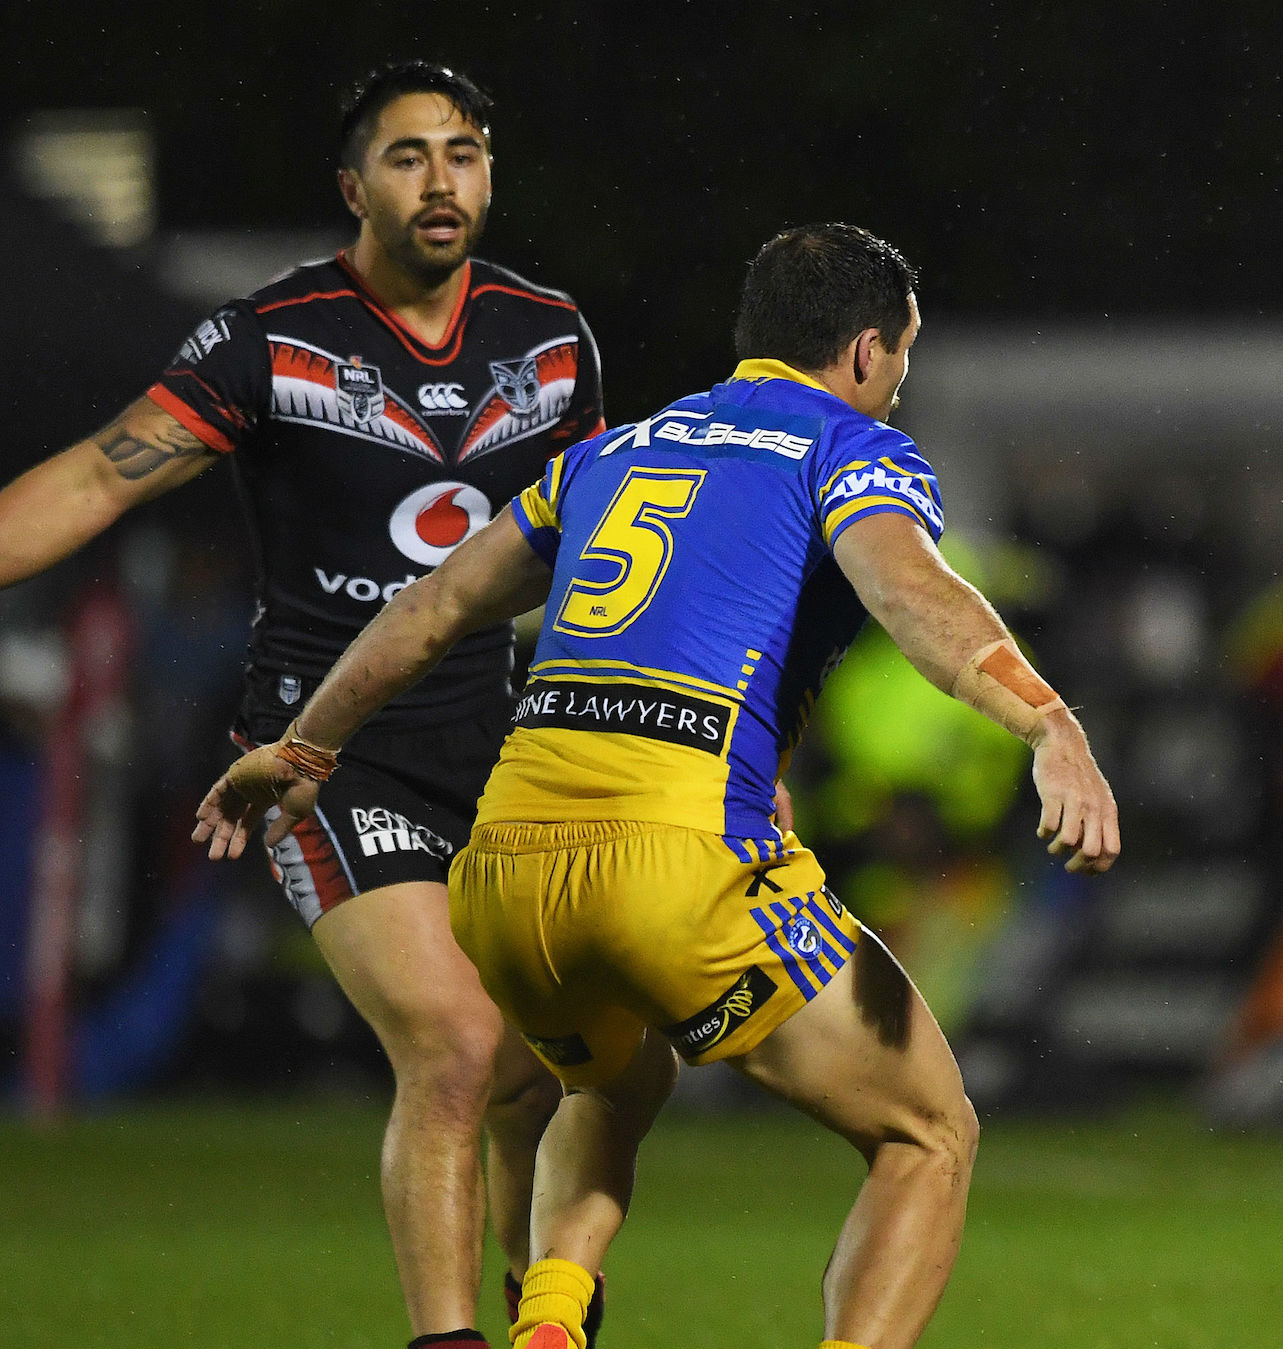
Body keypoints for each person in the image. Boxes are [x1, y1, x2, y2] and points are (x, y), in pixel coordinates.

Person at [194, 223, 1121, 1349]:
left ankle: (548, 1317)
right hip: (678, 863)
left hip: (506, 877)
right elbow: (909, 589)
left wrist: (300, 750)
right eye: (905, 358)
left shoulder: (610, 452)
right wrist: (1048, 722)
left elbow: (431, 607)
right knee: (929, 1129)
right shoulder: (847, 446)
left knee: (608, 1086)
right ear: (871, 352)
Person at [0, 62, 604, 1347]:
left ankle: (542, 1314)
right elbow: (103, 477)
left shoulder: (551, 340)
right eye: (407, 156)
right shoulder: (272, 337)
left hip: (496, 745)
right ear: (353, 187)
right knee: (449, 1039)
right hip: (321, 752)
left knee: (529, 1069)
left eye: (464, 153)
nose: (441, 180)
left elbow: (601, 550)